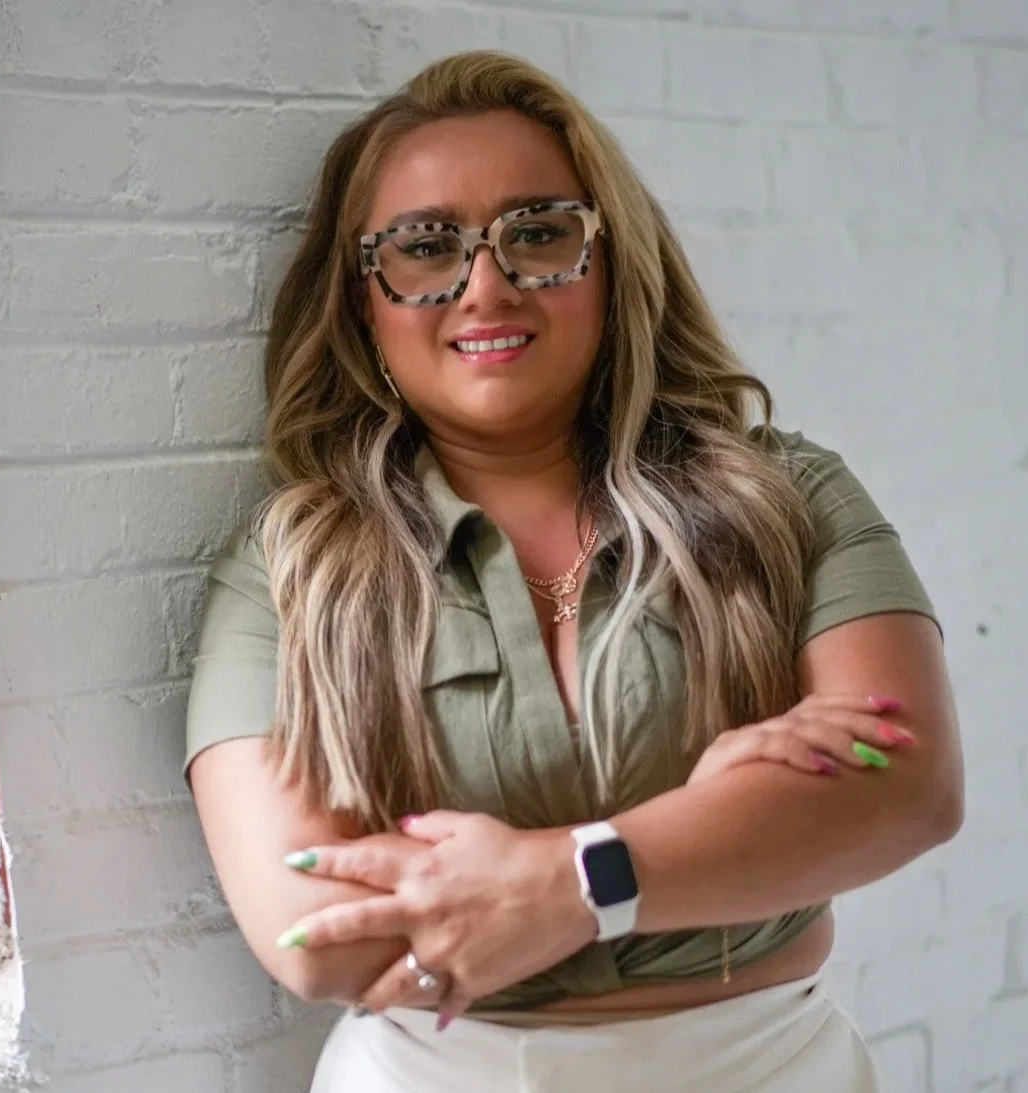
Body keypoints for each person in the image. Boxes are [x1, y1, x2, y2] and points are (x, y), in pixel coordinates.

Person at [184, 50, 963, 1093]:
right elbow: (316, 937)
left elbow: (908, 790)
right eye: (424, 248)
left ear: (610, 266)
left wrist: (568, 879)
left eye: (538, 234)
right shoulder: (289, 569)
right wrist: (712, 815)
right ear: (362, 303)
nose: (486, 285)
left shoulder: (788, 497)